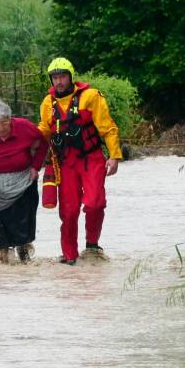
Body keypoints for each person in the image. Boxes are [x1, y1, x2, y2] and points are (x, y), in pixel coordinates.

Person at [38, 57, 122, 265]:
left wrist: (114, 156)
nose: (58, 82)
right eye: (55, 78)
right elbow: (43, 132)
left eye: (62, 76)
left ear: (71, 76)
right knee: (69, 210)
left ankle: (92, 244)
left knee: (95, 203)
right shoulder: (48, 103)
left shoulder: (90, 97)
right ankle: (69, 255)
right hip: (65, 162)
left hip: (91, 158)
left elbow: (108, 128)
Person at [0, 100, 47, 264]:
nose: (1, 128)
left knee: (24, 217)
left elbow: (43, 144)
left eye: (4, 122)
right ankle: (4, 255)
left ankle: (24, 251)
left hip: (23, 181)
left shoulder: (24, 127)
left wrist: (35, 167)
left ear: (10, 119)